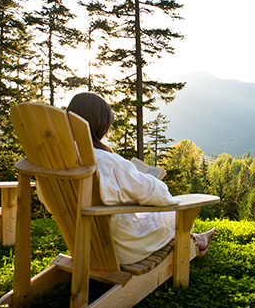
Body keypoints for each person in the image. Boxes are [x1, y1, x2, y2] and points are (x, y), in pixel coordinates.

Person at [66, 92, 215, 265]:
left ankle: (198, 238)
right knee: (175, 214)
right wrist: (149, 180)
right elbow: (161, 196)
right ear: (99, 125)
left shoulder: (55, 159)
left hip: (79, 241)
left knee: (147, 214)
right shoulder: (107, 161)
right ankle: (197, 242)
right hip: (118, 246)